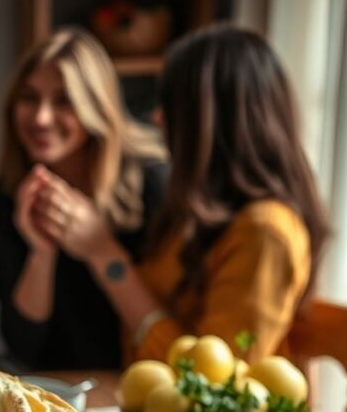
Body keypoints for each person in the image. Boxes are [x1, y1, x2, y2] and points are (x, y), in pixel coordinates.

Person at [42, 24, 329, 364]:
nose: (157, 118)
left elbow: (211, 381)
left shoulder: (266, 233)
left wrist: (104, 254)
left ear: (210, 119)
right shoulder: (199, 211)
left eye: (171, 104)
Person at [0, 28, 166, 371]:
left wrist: (99, 249)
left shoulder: (151, 182)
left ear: (96, 106)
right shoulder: (11, 191)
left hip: (137, 385)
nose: (41, 118)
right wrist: (42, 252)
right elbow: (24, 346)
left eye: (64, 100)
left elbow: (160, 336)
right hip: (57, 388)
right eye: (29, 97)